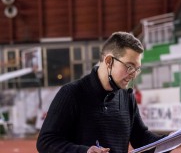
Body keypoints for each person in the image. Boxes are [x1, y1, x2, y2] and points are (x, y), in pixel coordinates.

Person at [36, 32, 169, 153]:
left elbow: (140, 137)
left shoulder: (127, 97)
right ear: (109, 61)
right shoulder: (71, 93)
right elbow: (46, 142)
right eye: (129, 67)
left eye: (137, 69)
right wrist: (84, 151)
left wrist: (168, 142)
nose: (133, 74)